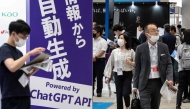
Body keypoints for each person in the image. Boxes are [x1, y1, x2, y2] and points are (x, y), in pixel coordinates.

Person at [0, 19, 45, 109]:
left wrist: (34, 69)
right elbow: (12, 67)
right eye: (23, 36)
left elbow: (22, 76)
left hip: (24, 94)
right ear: (13, 34)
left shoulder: (19, 53)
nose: (24, 39)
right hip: (11, 97)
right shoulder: (4, 49)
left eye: (26, 37)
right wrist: (29, 54)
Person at [132, 23, 173, 109]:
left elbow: (169, 64)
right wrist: (135, 85)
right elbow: (137, 67)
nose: (156, 32)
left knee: (155, 106)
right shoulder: (140, 48)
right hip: (144, 83)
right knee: (145, 107)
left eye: (157, 30)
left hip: (158, 83)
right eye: (153, 30)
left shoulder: (164, 47)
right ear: (147, 34)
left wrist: (170, 78)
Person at [104, 33, 135, 109]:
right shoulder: (114, 51)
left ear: (126, 41)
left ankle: (127, 105)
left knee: (125, 93)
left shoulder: (131, 51)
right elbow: (110, 64)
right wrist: (108, 76)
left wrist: (130, 62)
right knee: (119, 94)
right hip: (117, 74)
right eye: (119, 38)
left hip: (127, 74)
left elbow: (137, 63)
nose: (120, 40)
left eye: (122, 38)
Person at [176, 29, 190, 109]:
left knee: (180, 88)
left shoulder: (181, 46)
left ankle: (178, 105)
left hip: (182, 70)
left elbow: (177, 58)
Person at [93, 25, 108, 97]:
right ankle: (91, 90)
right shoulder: (91, 40)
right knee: (91, 77)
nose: (93, 32)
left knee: (99, 77)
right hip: (90, 61)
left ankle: (99, 91)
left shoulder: (103, 41)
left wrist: (95, 56)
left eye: (94, 31)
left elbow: (103, 51)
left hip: (99, 61)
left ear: (98, 33)